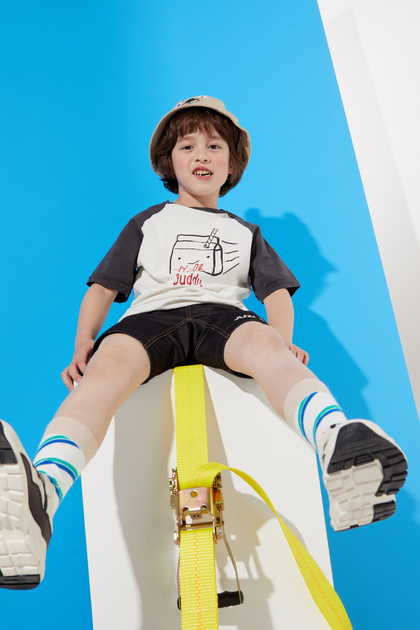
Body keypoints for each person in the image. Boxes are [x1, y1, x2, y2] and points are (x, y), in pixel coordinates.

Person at [0, 95, 407, 590]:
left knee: (266, 349)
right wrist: (84, 340)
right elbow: (103, 288)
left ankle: (335, 442)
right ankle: (43, 493)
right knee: (106, 369)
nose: (202, 155)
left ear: (231, 164)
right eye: (188, 145)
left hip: (223, 316)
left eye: (215, 146)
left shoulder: (245, 231)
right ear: (168, 162)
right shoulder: (147, 222)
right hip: (151, 318)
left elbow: (276, 294)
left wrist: (281, 340)